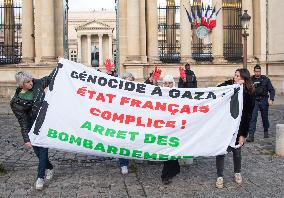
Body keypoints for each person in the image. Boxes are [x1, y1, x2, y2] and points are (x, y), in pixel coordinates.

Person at [10, 71, 55, 190]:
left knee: (43, 150)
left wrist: (61, 65)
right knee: (39, 153)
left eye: (31, 80)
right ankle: (49, 167)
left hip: (43, 123)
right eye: (28, 82)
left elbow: (50, 77)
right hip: (31, 127)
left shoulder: (38, 84)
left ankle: (40, 178)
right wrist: (26, 138)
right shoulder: (15, 102)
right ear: (21, 85)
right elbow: (22, 121)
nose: (31, 83)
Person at [215, 68, 255, 189]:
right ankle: (220, 176)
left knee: (237, 152)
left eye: (238, 76)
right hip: (225, 125)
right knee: (221, 150)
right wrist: (229, 85)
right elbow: (218, 89)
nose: (235, 78)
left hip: (238, 127)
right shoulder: (229, 87)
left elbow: (248, 115)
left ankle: (237, 172)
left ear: (244, 78)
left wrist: (243, 134)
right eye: (235, 75)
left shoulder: (248, 93)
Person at [160, 75, 181, 185]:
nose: (167, 85)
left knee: (173, 149)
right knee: (167, 150)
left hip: (175, 126)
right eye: (165, 83)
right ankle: (166, 174)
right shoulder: (159, 95)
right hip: (164, 127)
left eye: (169, 83)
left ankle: (173, 170)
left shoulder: (178, 95)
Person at [247, 64, 275, 142]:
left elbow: (272, 90)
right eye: (256, 71)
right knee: (253, 118)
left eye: (258, 71)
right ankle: (251, 136)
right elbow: (247, 90)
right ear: (254, 71)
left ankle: (266, 130)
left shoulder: (265, 79)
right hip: (255, 100)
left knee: (264, 117)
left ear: (260, 71)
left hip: (263, 100)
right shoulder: (251, 79)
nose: (257, 73)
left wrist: (271, 99)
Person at [119, 72, 135, 174]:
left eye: (130, 81)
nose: (128, 83)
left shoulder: (137, 90)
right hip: (121, 121)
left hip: (134, 121)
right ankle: (124, 164)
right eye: (126, 81)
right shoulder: (118, 91)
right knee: (123, 142)